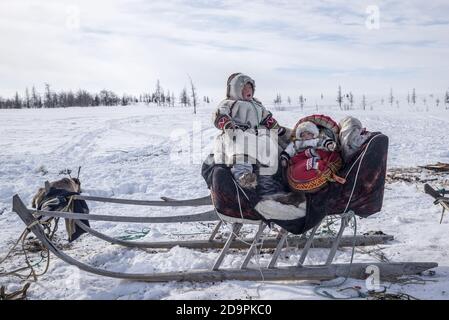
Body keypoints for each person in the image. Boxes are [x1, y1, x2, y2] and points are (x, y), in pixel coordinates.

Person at [213, 73, 289, 192]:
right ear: (236, 90)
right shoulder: (230, 103)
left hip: (256, 133)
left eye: (250, 88)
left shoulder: (257, 104)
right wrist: (227, 125)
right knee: (242, 147)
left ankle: (272, 178)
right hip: (236, 132)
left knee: (270, 146)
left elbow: (266, 117)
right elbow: (220, 115)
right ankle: (243, 175)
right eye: (245, 88)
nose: (249, 91)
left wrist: (276, 127)